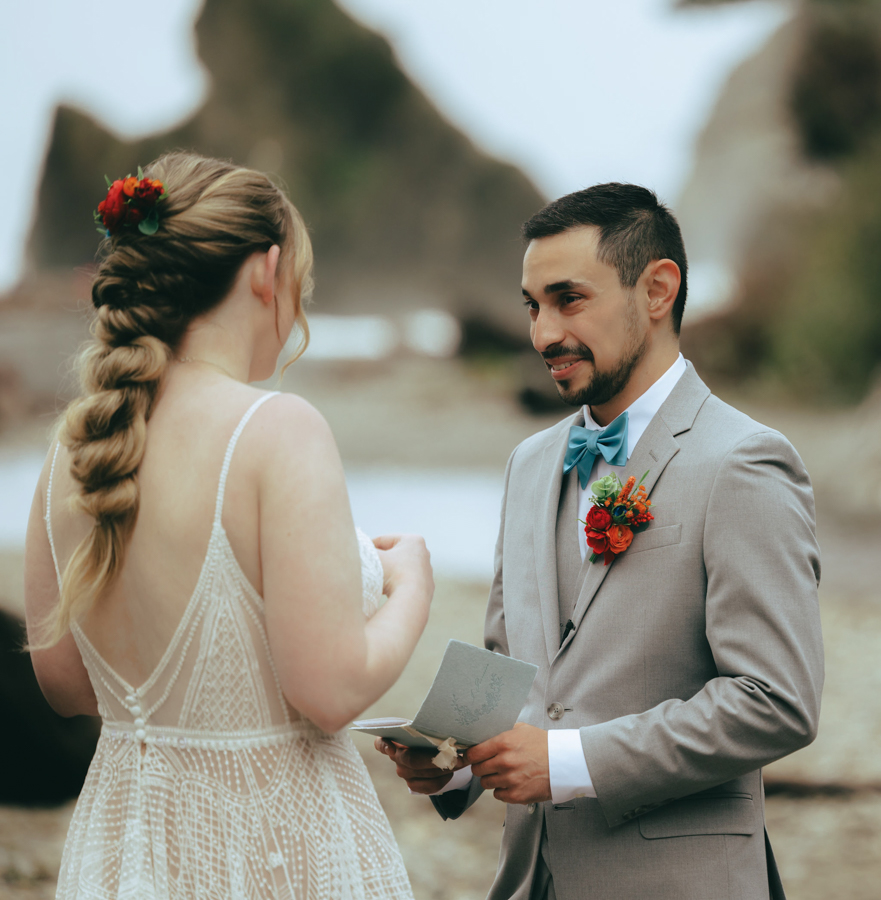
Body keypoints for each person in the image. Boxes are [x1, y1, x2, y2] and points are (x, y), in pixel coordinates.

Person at [377, 183, 824, 900]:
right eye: (531, 306)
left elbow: (776, 699)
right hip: (531, 881)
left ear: (656, 290)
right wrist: (454, 761)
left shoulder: (742, 462)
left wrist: (569, 761)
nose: (542, 333)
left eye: (567, 299)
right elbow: (510, 667)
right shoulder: (528, 464)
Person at [24, 152, 434, 899]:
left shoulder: (74, 447)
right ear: (264, 270)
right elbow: (331, 688)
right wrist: (412, 587)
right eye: (300, 283)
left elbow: (62, 683)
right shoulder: (276, 430)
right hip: (274, 849)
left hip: (126, 846)